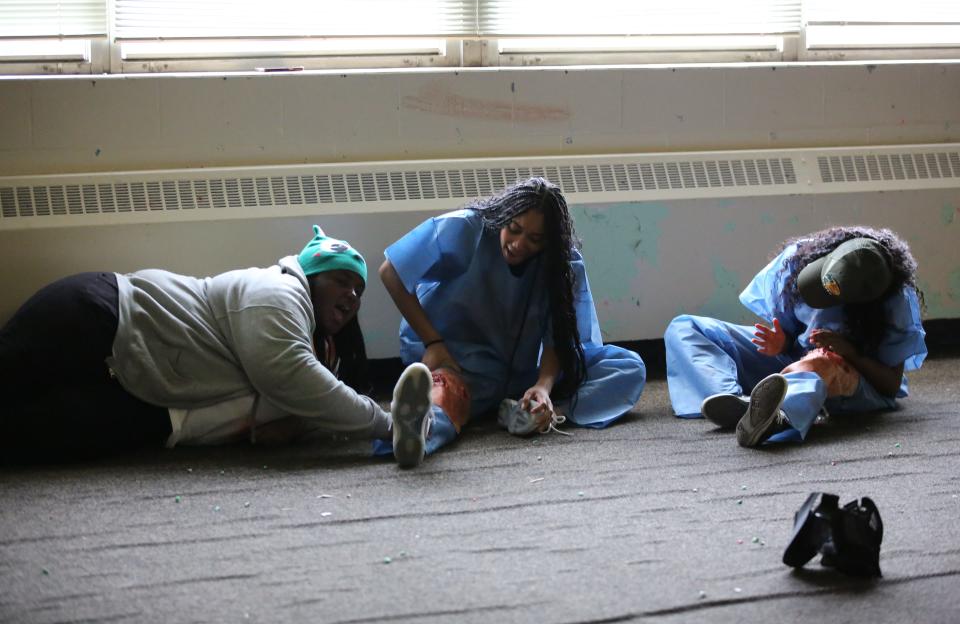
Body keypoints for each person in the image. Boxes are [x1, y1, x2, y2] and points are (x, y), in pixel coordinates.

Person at [0, 225, 429, 466]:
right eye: (341, 280)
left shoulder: (309, 334)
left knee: (26, 440)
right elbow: (289, 376)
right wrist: (387, 423)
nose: (353, 296)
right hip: (103, 317)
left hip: (142, 394)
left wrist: (298, 424)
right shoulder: (276, 292)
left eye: (359, 290)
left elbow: (285, 399)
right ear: (311, 276)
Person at [375, 177, 647, 462]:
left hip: (523, 377)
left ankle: (535, 413)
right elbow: (390, 272)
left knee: (628, 367)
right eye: (514, 229)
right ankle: (417, 431)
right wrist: (433, 342)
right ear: (502, 216)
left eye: (534, 239)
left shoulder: (564, 265)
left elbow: (559, 336)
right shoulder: (465, 228)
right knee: (445, 397)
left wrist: (543, 386)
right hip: (460, 365)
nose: (518, 244)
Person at [664, 226, 926, 447]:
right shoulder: (800, 257)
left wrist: (850, 353)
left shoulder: (895, 301)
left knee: (821, 363)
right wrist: (783, 342)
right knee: (685, 327)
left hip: (851, 379)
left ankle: (778, 416)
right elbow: (792, 334)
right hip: (792, 360)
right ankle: (740, 405)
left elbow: (889, 386)